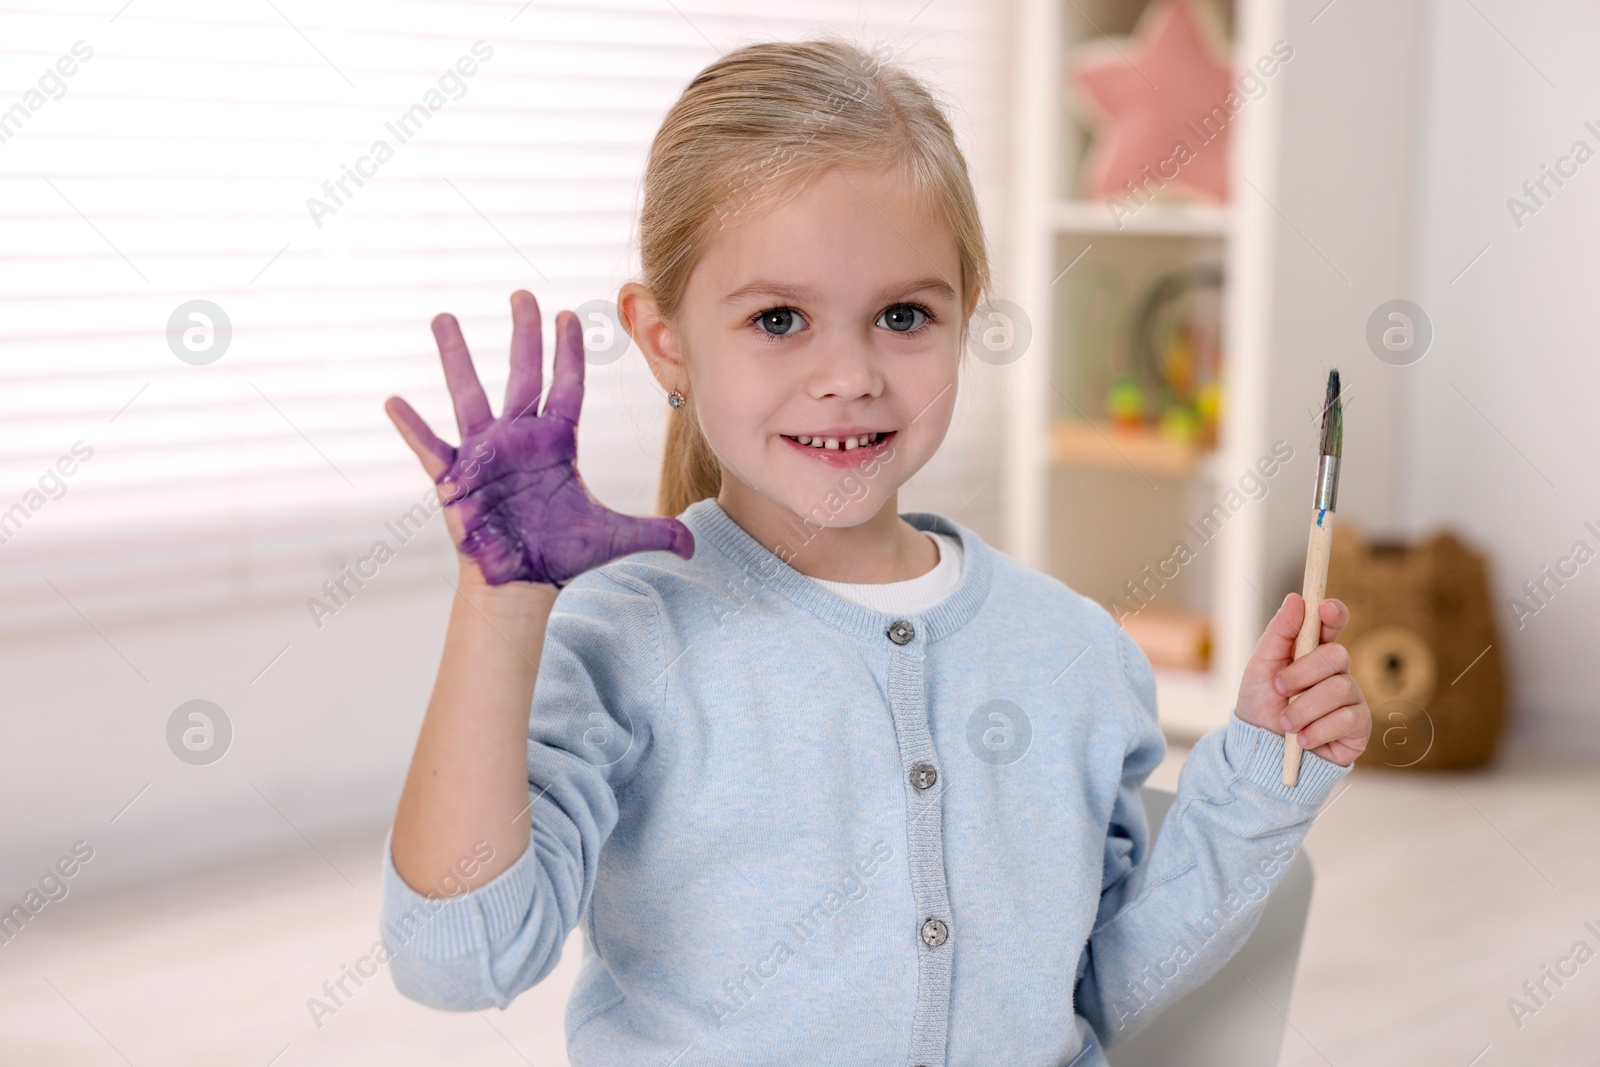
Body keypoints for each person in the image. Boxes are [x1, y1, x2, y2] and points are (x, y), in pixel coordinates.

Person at [377, 36, 1371, 1066]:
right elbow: (461, 961)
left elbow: (1103, 985)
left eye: (902, 315)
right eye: (778, 318)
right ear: (666, 338)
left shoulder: (1072, 649)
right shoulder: (624, 633)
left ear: (965, 317)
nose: (847, 373)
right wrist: (500, 606)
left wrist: (1259, 771)